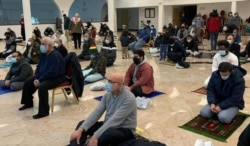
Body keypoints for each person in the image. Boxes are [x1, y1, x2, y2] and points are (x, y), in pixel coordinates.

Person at [69, 72, 137, 146]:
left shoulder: (129, 98)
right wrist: (80, 129)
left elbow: (115, 120)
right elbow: (97, 112)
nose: (107, 84)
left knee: (106, 135)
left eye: (111, 82)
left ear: (119, 84)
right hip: (108, 125)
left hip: (124, 129)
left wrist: (95, 136)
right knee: (82, 124)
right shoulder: (108, 95)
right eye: (108, 81)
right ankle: (75, 144)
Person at [19, 37, 65, 119]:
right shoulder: (44, 54)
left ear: (50, 46)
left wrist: (40, 79)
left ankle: (44, 112)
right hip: (43, 76)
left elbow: (53, 73)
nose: (41, 46)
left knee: (42, 87)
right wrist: (36, 78)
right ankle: (28, 103)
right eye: (41, 44)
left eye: (43, 44)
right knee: (28, 82)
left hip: (56, 78)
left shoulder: (55, 56)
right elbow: (39, 67)